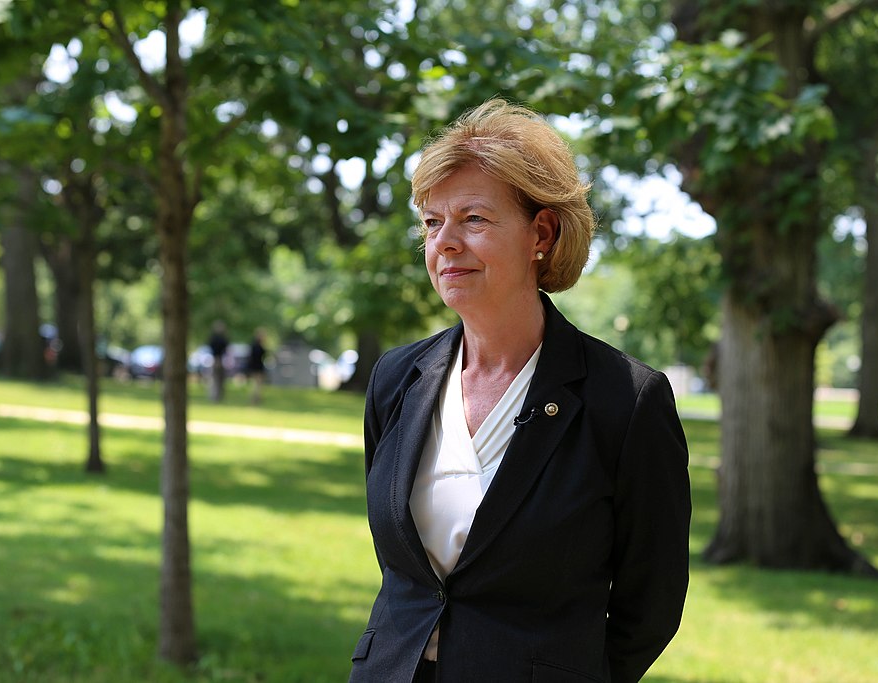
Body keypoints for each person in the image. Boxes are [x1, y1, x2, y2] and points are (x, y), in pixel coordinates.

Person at [349, 99, 691, 683]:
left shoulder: (626, 402)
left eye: (473, 220)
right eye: (433, 222)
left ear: (543, 233)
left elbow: (651, 604)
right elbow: (402, 571)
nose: (445, 243)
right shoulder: (395, 380)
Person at [207, 320, 229, 402]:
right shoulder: (223, 338)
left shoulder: (212, 338)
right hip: (219, 359)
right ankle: (216, 396)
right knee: (218, 379)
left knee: (215, 379)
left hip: (215, 359)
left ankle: (215, 396)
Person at [246, 329, 268, 405]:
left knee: (256, 384)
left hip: (256, 366)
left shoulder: (255, 345)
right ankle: (255, 399)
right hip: (257, 367)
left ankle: (256, 399)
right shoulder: (257, 346)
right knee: (257, 384)